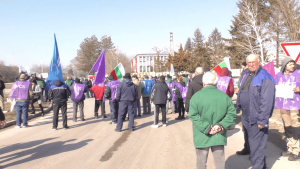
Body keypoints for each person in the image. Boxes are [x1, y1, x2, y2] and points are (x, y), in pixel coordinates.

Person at [189, 72, 236, 169]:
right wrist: (220, 126)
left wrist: (207, 128)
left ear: (204, 83)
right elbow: (231, 114)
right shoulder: (224, 96)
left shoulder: (196, 96)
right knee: (220, 163)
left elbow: (193, 115)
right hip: (219, 134)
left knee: (201, 163)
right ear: (216, 83)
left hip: (202, 134)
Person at [236, 54, 275, 169]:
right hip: (246, 116)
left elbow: (267, 101)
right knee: (253, 146)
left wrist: (262, 120)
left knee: (257, 147)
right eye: (249, 62)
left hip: (257, 117)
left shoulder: (265, 76)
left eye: (254, 62)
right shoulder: (247, 75)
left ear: (259, 61)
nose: (251, 64)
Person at [274, 57, 300, 161]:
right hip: (283, 105)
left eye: (293, 64)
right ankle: (290, 147)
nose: (292, 66)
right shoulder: (278, 76)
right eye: (290, 64)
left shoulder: (298, 73)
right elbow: (273, 87)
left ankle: (296, 150)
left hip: (295, 104)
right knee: (287, 126)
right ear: (285, 65)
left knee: (295, 126)